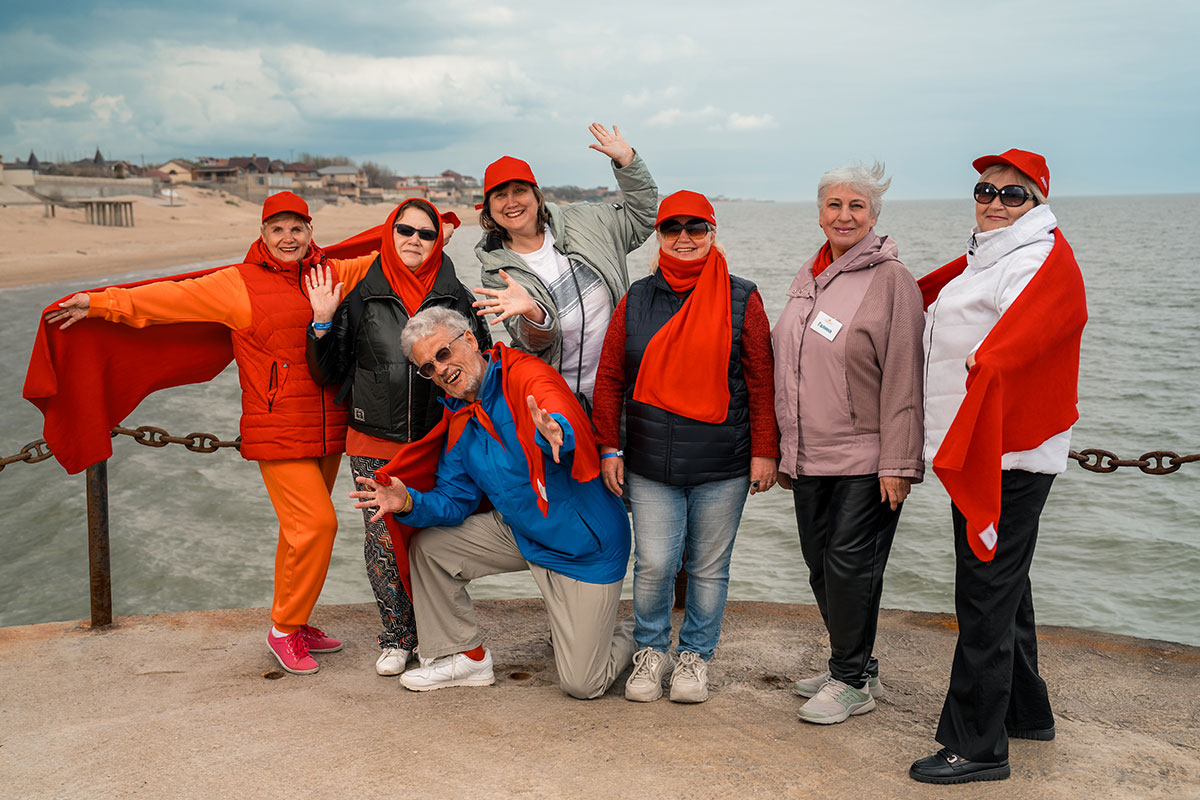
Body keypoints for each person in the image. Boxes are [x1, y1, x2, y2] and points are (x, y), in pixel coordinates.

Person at [43, 192, 376, 675]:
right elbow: (166, 299)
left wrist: (439, 228)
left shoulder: (330, 273)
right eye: (277, 229)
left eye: (296, 229)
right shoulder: (237, 284)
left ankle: (297, 619)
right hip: (276, 427)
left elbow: (388, 257)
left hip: (328, 428)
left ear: (310, 232)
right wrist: (99, 303)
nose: (287, 238)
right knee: (319, 526)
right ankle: (284, 629)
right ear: (262, 234)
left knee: (297, 533)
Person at [909, 149, 1087, 784]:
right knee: (1007, 587)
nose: (994, 202)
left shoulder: (1033, 258)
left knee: (983, 593)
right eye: (986, 190)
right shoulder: (987, 255)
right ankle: (1026, 713)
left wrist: (984, 363)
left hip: (1005, 451)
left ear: (1036, 203)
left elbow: (1030, 328)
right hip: (984, 445)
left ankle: (978, 746)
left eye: (1013, 194)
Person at [350, 307, 635, 699]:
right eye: (428, 368)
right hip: (522, 533)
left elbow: (553, 405)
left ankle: (637, 632)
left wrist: (558, 432)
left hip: (584, 548)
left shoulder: (524, 374)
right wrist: (407, 503)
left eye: (444, 354)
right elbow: (455, 500)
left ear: (469, 339)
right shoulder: (460, 419)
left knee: (584, 683)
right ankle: (464, 657)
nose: (441, 369)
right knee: (431, 548)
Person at [591, 190, 778, 704]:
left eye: (696, 228)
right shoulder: (637, 298)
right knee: (654, 564)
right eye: (673, 228)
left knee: (709, 568)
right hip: (650, 462)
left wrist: (765, 451)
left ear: (713, 233)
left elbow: (762, 381)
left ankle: (695, 656)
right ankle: (651, 651)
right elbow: (610, 378)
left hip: (724, 464)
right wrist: (609, 447)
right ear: (659, 236)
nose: (685, 238)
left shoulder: (744, 298)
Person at [305, 198, 491, 676]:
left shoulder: (457, 298)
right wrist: (321, 322)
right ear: (389, 233)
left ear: (438, 242)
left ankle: (435, 636)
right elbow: (329, 372)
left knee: (433, 538)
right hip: (373, 438)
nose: (415, 240)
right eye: (405, 230)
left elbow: (481, 364)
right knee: (382, 540)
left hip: (439, 439)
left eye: (427, 234)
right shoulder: (362, 296)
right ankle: (396, 636)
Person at [771, 163, 925, 724]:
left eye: (857, 205)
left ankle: (850, 680)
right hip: (809, 455)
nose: (844, 215)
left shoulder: (892, 280)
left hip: (867, 456)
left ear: (874, 215)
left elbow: (905, 374)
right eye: (834, 205)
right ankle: (857, 664)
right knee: (820, 565)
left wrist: (899, 462)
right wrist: (782, 447)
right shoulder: (811, 275)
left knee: (849, 566)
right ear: (820, 214)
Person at [472, 123, 657, 407]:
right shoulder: (496, 269)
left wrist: (627, 162)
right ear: (489, 208)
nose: (511, 202)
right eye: (500, 195)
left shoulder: (586, 220)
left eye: (519, 190)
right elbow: (534, 343)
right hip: (557, 400)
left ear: (536, 196)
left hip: (621, 389)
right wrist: (534, 314)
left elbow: (642, 218)